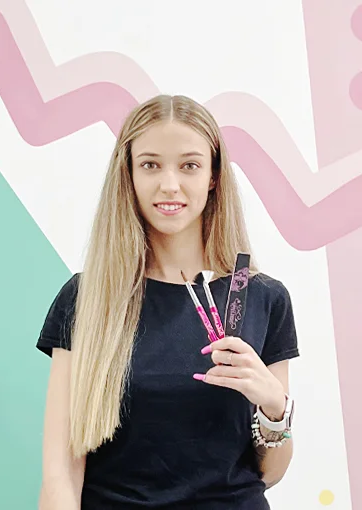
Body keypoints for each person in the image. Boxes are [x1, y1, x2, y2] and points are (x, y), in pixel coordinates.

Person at [36, 94, 299, 510]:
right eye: (151, 164)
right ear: (128, 174)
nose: (170, 184)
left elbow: (270, 473)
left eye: (189, 165)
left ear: (213, 176)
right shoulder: (86, 299)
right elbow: (60, 477)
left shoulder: (264, 298)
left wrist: (273, 404)